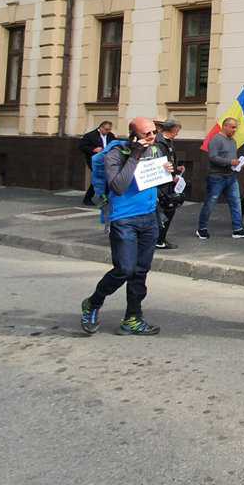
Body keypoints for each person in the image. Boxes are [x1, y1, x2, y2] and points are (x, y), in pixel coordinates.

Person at [80, 117, 172, 336]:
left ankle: (132, 318)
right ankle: (93, 303)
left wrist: (167, 171)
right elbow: (119, 186)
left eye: (154, 132)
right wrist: (136, 155)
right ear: (133, 135)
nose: (152, 137)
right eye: (147, 134)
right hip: (124, 219)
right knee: (124, 269)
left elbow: (154, 181)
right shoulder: (115, 154)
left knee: (140, 272)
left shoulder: (156, 150)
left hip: (148, 217)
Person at [197, 117, 244, 240]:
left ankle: (238, 229)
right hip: (216, 177)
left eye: (236, 127)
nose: (235, 130)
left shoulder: (233, 141)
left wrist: (237, 164)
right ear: (225, 126)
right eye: (232, 127)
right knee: (210, 203)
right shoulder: (216, 139)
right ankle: (202, 228)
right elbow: (213, 157)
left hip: (231, 176)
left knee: (236, 202)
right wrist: (230, 161)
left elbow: (231, 157)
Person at [153, 119, 185, 250]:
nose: (177, 133)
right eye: (177, 130)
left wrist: (177, 169)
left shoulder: (168, 142)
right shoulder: (159, 143)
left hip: (168, 182)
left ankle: (160, 238)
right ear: (172, 129)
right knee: (165, 209)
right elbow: (159, 163)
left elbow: (170, 160)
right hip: (162, 184)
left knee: (168, 209)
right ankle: (159, 239)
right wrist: (172, 177)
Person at [79, 120, 115, 205]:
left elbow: (114, 144)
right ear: (101, 127)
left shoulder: (110, 135)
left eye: (109, 129)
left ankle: (104, 196)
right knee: (98, 177)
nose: (107, 131)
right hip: (95, 160)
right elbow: (82, 146)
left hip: (107, 160)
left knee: (106, 177)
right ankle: (88, 198)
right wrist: (93, 149)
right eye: (106, 129)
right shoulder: (90, 136)